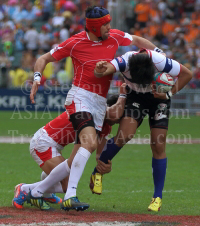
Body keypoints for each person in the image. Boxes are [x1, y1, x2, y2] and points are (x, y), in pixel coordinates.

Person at [29, 5, 162, 211]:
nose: (110, 27)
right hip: (80, 96)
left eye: (109, 23)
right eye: (105, 25)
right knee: (89, 143)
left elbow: (136, 40)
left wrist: (160, 54)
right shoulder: (74, 42)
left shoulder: (115, 36)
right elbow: (43, 58)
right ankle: (70, 195)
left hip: (99, 103)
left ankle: (35, 190)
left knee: (78, 155)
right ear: (93, 27)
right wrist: (37, 77)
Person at [90, 48, 192, 211]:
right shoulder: (125, 61)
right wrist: (101, 68)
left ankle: (157, 197)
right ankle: (97, 172)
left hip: (159, 99)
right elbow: (108, 68)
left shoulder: (160, 61)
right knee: (125, 135)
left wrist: (168, 95)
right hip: (136, 97)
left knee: (158, 144)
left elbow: (187, 74)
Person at [13, 85, 127, 211]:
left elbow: (100, 156)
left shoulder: (106, 126)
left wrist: (104, 167)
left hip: (54, 146)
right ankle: (24, 188)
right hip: (43, 143)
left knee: (68, 174)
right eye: (120, 116)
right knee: (68, 185)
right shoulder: (91, 112)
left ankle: (46, 194)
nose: (118, 121)